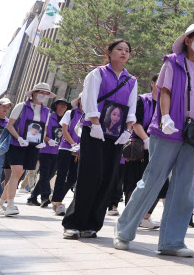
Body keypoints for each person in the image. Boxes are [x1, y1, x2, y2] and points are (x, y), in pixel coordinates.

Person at [114, 23, 194, 257]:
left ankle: (172, 241)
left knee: (183, 189)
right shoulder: (172, 61)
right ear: (188, 40)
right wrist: (165, 117)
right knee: (152, 180)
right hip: (169, 129)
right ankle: (123, 231)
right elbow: (165, 91)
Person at [62, 39, 137, 239]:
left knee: (107, 178)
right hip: (94, 131)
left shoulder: (132, 80)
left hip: (116, 135)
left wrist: (127, 131)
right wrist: (94, 124)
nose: (123, 53)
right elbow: (89, 100)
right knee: (89, 176)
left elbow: (131, 108)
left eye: (127, 50)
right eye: (119, 49)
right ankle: (73, 223)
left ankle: (92, 224)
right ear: (109, 52)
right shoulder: (97, 74)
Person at [0, 83, 54, 216]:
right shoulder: (21, 106)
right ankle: (11, 205)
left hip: (33, 146)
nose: (44, 95)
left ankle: (0, 203)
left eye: (46, 93)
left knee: (16, 175)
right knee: (16, 172)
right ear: (34, 93)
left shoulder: (46, 111)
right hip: (17, 144)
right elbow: (10, 126)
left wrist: (42, 141)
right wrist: (18, 138)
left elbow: (44, 129)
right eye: (41, 92)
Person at [122, 73, 166, 230]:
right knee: (133, 183)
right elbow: (136, 123)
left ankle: (145, 217)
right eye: (159, 81)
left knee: (160, 184)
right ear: (153, 84)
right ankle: (129, 216)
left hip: (159, 147)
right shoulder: (142, 100)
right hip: (139, 148)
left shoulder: (166, 102)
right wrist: (147, 140)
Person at [27, 98, 70, 207]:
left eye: (64, 106)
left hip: (59, 152)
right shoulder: (49, 117)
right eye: (60, 105)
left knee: (49, 175)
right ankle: (45, 197)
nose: (62, 107)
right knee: (45, 174)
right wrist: (48, 140)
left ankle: (32, 197)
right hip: (45, 150)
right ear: (56, 106)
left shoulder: (67, 120)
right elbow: (40, 131)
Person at [51, 94, 83, 215]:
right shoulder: (71, 113)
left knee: (73, 178)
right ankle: (59, 203)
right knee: (61, 175)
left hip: (80, 151)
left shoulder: (91, 116)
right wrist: (73, 144)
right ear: (79, 101)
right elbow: (64, 131)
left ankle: (55, 196)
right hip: (66, 149)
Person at [0, 97, 13, 198]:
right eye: (3, 106)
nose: (5, 109)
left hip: (3, 152)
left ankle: (2, 196)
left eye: (7, 107)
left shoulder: (9, 123)